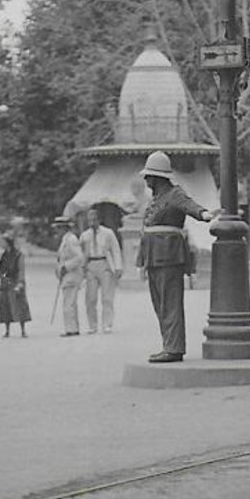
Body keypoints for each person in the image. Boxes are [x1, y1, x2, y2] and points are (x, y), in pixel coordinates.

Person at [136, 151, 210, 363]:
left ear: (158, 177)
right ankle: (168, 344)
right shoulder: (156, 199)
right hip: (154, 257)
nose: (146, 180)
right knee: (159, 303)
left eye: (149, 175)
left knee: (170, 303)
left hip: (169, 256)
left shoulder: (174, 194)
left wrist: (205, 214)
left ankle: (174, 348)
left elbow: (190, 206)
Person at [78, 207, 124, 335]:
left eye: (94, 219)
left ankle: (107, 324)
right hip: (91, 265)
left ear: (99, 219)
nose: (91, 222)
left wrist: (118, 267)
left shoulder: (108, 233)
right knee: (90, 298)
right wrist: (81, 270)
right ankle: (92, 326)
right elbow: (80, 253)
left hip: (105, 264)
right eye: (89, 220)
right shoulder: (84, 235)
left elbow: (115, 250)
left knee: (107, 297)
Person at [53, 214, 87, 337]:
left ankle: (71, 329)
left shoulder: (71, 240)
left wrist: (65, 267)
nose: (56, 231)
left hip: (72, 275)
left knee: (69, 303)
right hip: (67, 276)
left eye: (58, 228)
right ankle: (72, 327)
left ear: (64, 228)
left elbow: (79, 257)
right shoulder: (65, 240)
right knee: (69, 302)